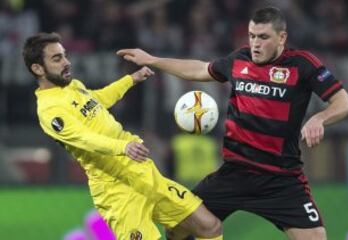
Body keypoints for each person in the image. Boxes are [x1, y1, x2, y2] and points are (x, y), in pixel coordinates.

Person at [117, 7, 348, 240]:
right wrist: (152, 60)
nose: (255, 44)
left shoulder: (302, 64)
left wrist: (319, 118)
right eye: (252, 36)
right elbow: (200, 69)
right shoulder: (239, 60)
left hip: (281, 180)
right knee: (178, 227)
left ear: (282, 37)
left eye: (263, 37)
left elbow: (344, 102)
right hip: (234, 174)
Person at [22, 32, 223, 240]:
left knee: (209, 227)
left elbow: (97, 100)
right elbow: (85, 138)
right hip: (117, 189)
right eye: (57, 58)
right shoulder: (49, 110)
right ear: (37, 68)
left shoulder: (72, 86)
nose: (66, 62)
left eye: (64, 55)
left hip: (142, 171)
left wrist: (130, 80)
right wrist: (122, 147)